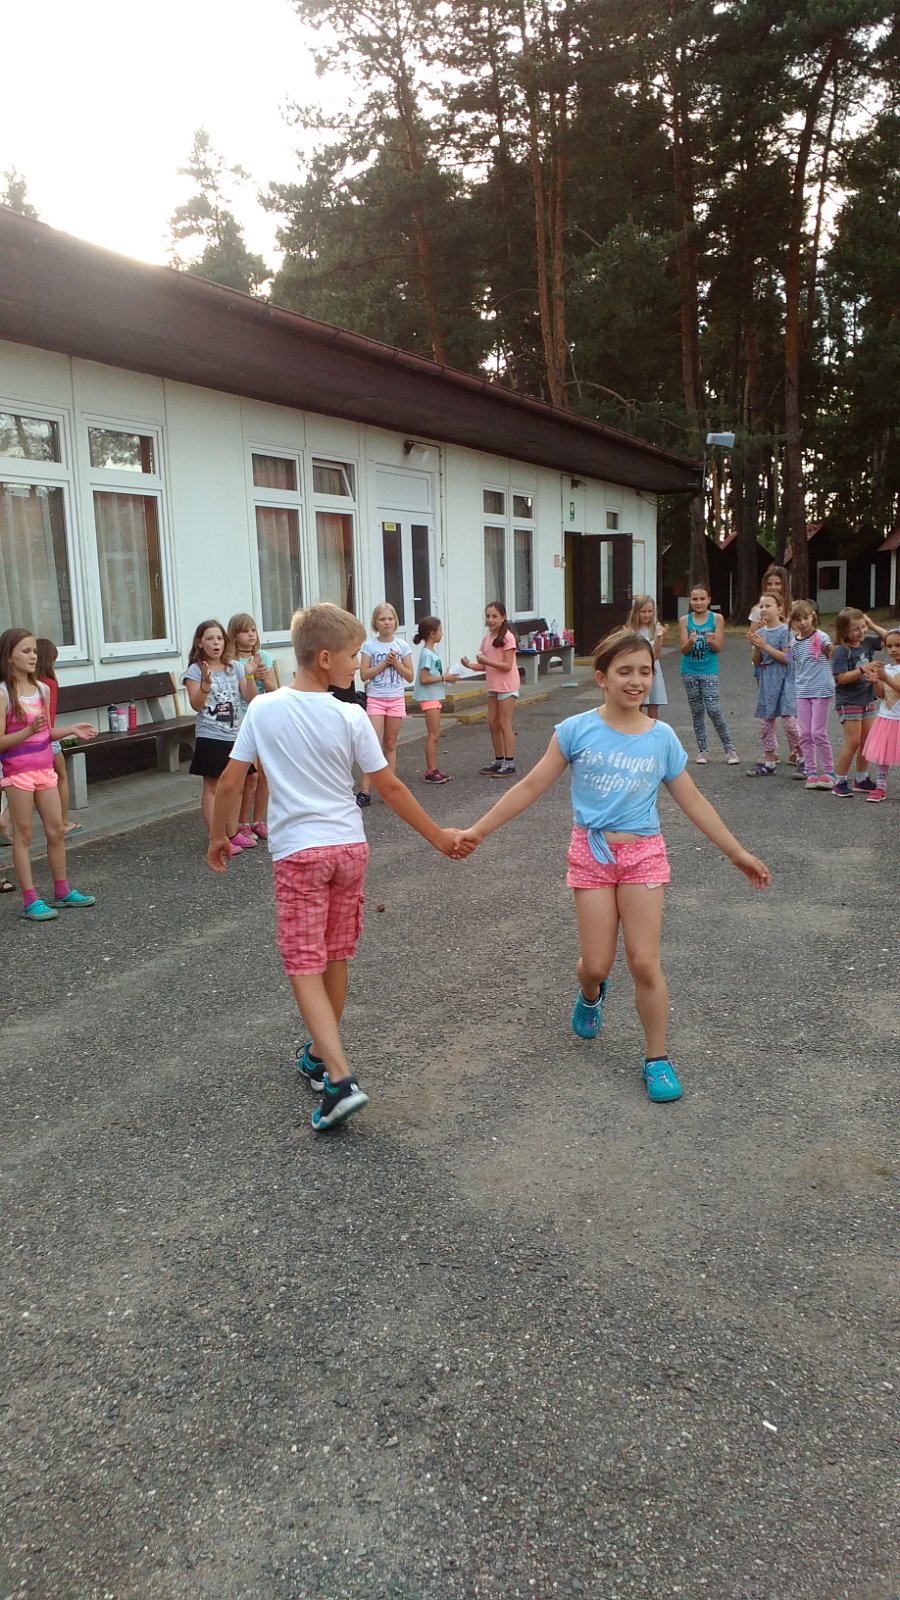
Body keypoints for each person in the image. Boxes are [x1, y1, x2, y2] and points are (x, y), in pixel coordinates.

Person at [457, 628, 770, 1103]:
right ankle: (591, 994)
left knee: (644, 961)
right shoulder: (575, 730)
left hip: (643, 854)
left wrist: (736, 852)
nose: (636, 681)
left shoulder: (661, 738)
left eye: (644, 671)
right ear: (601, 677)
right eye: (625, 671)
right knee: (597, 964)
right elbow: (530, 786)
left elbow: (694, 801)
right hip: (592, 854)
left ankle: (657, 1058)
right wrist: (478, 830)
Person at [206, 603, 461, 1131]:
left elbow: (231, 780)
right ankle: (321, 1057)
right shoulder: (350, 714)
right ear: (325, 658)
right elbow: (389, 786)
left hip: (300, 852)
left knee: (304, 962)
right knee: (336, 953)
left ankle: (339, 1078)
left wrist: (218, 837)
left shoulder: (265, 709)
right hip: (348, 848)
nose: (356, 664)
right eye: (352, 655)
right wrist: (437, 836)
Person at [0, 628, 97, 922]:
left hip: (45, 770)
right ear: (9, 657)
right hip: (18, 773)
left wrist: (70, 730)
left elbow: (45, 733)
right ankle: (30, 901)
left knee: (56, 831)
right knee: (24, 836)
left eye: (34, 651)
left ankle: (62, 891)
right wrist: (27, 731)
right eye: (26, 651)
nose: (33, 656)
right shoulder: (3, 694)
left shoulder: (42, 689)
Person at [182, 619, 257, 850]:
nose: (216, 643)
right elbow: (196, 705)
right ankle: (217, 838)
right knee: (213, 787)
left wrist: (250, 676)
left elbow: (250, 698)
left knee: (237, 784)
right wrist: (206, 683)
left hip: (236, 735)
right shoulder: (195, 671)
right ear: (200, 643)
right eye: (210, 638)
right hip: (210, 735)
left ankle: (232, 833)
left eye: (219, 638)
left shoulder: (235, 667)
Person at [356, 602, 414, 807]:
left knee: (390, 744)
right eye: (382, 619)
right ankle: (365, 790)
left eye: (390, 619)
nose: (387, 623)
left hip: (396, 699)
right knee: (372, 743)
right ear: (376, 623)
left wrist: (396, 663)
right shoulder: (369, 646)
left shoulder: (402, 646)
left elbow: (410, 676)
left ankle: (390, 791)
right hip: (376, 699)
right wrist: (383, 664)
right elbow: (364, 675)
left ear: (395, 621)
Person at [228, 612, 277, 844]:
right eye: (245, 631)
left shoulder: (263, 656)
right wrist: (249, 676)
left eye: (253, 630)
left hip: (263, 717)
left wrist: (263, 676)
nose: (251, 635)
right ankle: (242, 822)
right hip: (242, 720)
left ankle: (258, 820)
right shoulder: (231, 662)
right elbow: (240, 694)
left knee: (266, 774)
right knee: (251, 776)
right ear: (234, 635)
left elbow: (273, 689)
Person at [677, 584, 739, 764]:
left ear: (709, 600)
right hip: (689, 671)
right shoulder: (684, 620)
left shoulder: (716, 618)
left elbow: (718, 648)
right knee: (697, 711)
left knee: (714, 709)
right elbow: (683, 650)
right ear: (690, 601)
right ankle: (702, 751)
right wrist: (690, 641)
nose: (699, 602)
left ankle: (730, 750)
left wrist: (711, 641)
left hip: (709, 670)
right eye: (695, 599)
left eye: (702, 599)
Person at [831, 608, 888, 799]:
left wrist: (871, 624)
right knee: (853, 741)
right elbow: (841, 678)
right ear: (843, 631)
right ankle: (839, 781)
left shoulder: (867, 642)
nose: (861, 632)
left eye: (862, 627)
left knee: (867, 741)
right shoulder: (841, 651)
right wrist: (863, 669)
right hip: (849, 702)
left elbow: (889, 638)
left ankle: (861, 778)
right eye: (855, 629)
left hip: (867, 699)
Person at [746, 594, 802, 777]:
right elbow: (757, 662)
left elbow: (788, 658)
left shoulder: (786, 632)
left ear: (779, 608)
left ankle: (803, 757)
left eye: (768, 605)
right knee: (766, 723)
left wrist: (765, 646)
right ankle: (769, 760)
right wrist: (756, 646)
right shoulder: (761, 633)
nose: (763, 609)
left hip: (785, 680)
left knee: (790, 723)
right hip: (768, 680)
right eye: (761, 606)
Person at [462, 601, 519, 776]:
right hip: (493, 686)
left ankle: (509, 764)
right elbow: (485, 666)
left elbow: (507, 666)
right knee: (492, 723)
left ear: (503, 617)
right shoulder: (487, 639)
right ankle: (498, 760)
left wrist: (486, 661)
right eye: (488, 616)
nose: (490, 620)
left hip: (507, 686)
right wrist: (469, 665)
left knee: (504, 723)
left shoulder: (508, 637)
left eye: (494, 616)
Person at [788, 600, 836, 789]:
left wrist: (833, 650)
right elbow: (789, 661)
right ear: (792, 621)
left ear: (812, 617)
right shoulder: (793, 642)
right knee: (805, 733)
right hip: (803, 691)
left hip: (821, 690)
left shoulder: (820, 637)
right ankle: (811, 772)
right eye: (797, 619)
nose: (802, 623)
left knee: (818, 732)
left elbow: (832, 652)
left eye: (805, 618)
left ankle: (829, 771)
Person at [412, 615, 458, 782]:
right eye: (440, 631)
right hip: (429, 697)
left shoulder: (431, 653)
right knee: (433, 734)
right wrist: (444, 677)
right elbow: (424, 679)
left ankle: (433, 769)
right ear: (432, 634)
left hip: (434, 696)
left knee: (435, 734)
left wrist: (445, 676)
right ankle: (431, 771)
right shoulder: (427, 654)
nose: (442, 634)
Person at [860, 624, 900, 802]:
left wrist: (886, 679)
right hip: (887, 717)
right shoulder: (888, 669)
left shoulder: (888, 673)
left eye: (898, 645)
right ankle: (880, 787)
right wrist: (877, 682)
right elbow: (882, 695)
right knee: (883, 755)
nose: (893, 650)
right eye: (889, 646)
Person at [627, 595, 667, 719]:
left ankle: (653, 727)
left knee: (653, 702)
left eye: (650, 611)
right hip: (636, 669)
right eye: (643, 611)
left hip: (651, 667)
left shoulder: (656, 628)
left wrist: (659, 638)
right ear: (636, 612)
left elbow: (657, 655)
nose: (647, 615)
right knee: (637, 701)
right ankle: (636, 726)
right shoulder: (631, 630)